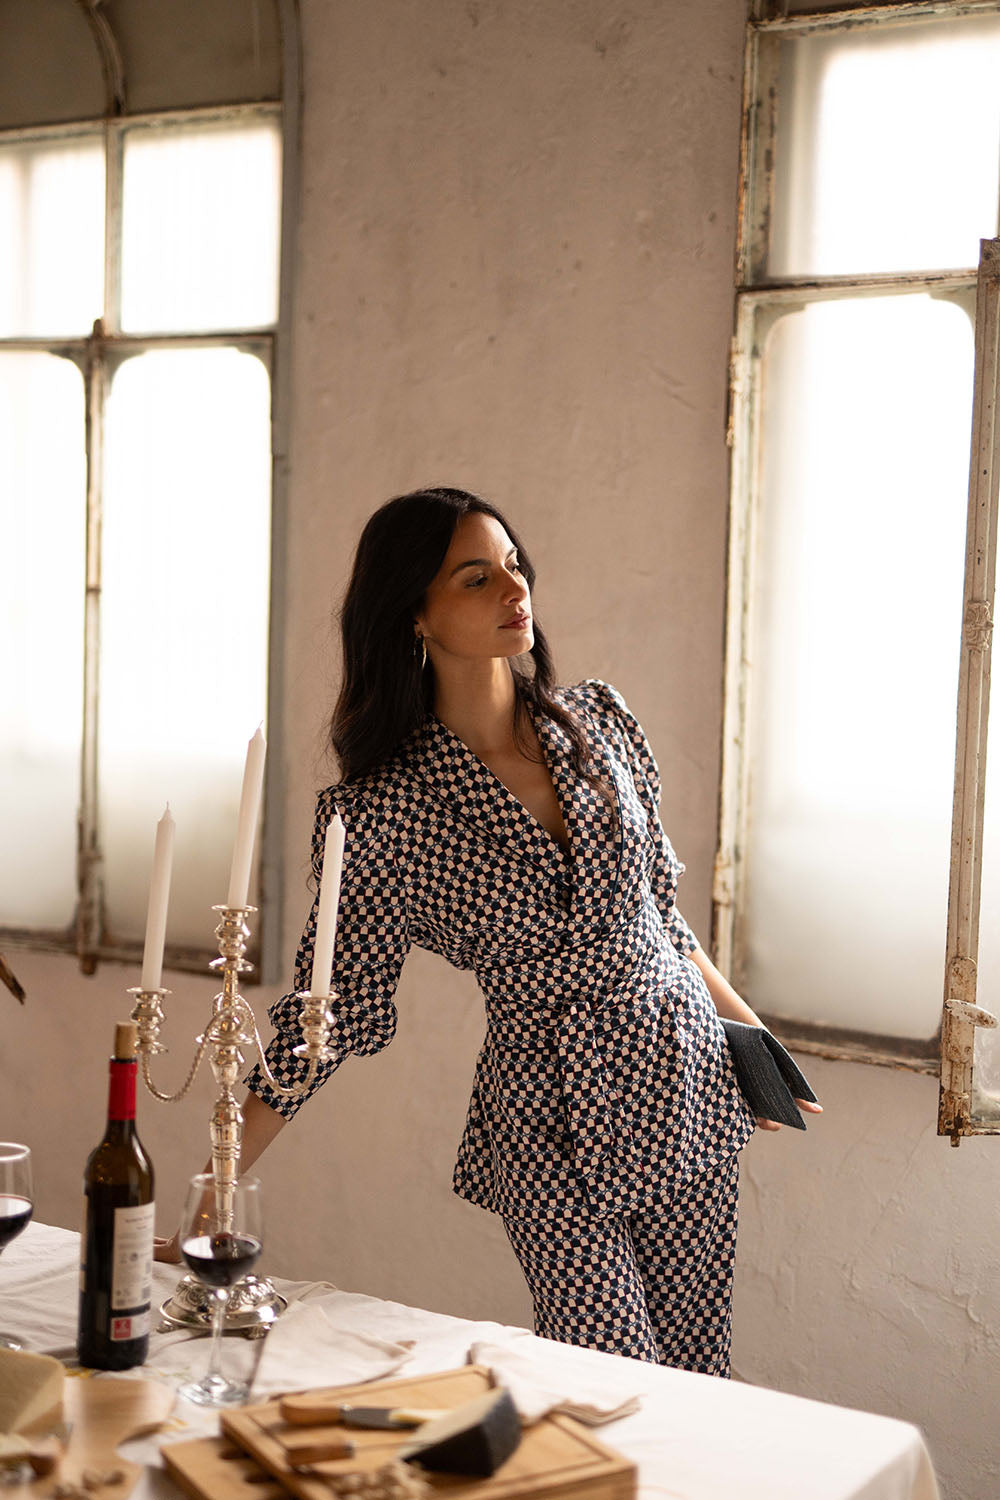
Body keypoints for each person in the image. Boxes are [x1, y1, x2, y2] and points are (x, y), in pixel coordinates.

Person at [158, 486, 821, 1374]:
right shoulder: (382, 812)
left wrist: (756, 1045)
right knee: (605, 1371)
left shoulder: (600, 722)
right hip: (549, 1111)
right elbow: (335, 1012)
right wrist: (221, 1178)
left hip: (684, 1073)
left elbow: (660, 915)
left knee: (698, 1373)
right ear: (414, 614)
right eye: (477, 577)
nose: (515, 590)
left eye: (515, 566)